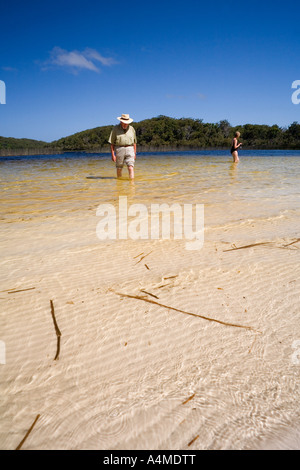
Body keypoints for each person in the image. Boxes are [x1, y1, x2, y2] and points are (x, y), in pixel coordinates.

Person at [108, 114, 137, 179]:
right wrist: (113, 155)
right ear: (121, 121)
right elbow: (112, 143)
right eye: (124, 123)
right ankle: (119, 184)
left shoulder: (132, 129)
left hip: (130, 149)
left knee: (130, 167)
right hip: (119, 149)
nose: (125, 124)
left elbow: (134, 142)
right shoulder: (115, 129)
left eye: (127, 123)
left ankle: (132, 185)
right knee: (119, 168)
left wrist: (135, 153)